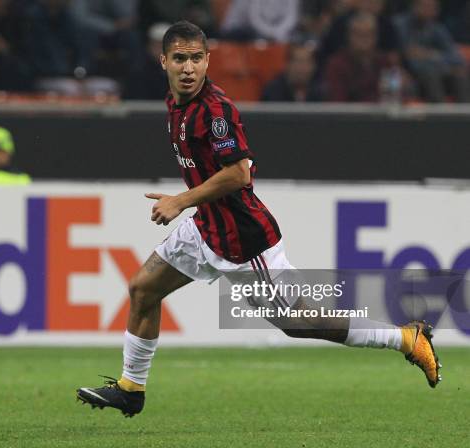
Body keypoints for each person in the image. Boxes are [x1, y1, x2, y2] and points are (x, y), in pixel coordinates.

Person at [76, 21, 441, 417]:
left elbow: (238, 173)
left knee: (302, 323)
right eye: (179, 58)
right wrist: (193, 204)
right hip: (205, 228)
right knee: (143, 289)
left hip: (244, 241)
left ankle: (406, 339)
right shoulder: (175, 102)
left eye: (197, 58)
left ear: (208, 60)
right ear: (163, 60)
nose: (188, 68)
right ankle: (131, 389)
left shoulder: (214, 111)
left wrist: (182, 199)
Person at [395, 0, 470, 103]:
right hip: (411, 74)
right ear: (414, 6)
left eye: (432, 7)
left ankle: (464, 116)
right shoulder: (400, 25)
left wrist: (430, 55)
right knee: (431, 75)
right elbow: (405, 55)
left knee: (460, 75)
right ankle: (440, 117)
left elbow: (456, 58)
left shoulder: (437, 28)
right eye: (424, 6)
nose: (428, 10)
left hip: (438, 72)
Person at [324, 13, 394, 102]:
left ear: (376, 36)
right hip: (348, 114)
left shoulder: (385, 62)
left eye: (369, 33)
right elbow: (337, 101)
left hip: (380, 113)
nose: (364, 39)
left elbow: (391, 97)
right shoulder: (336, 64)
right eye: (359, 34)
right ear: (349, 36)